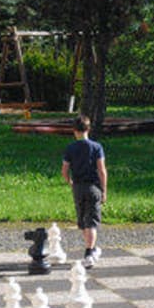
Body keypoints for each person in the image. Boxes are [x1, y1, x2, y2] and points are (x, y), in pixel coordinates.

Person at [61, 114, 107, 268]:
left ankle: (92, 249)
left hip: (78, 187)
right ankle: (89, 253)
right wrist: (104, 190)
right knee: (92, 222)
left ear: (74, 131)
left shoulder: (70, 148)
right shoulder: (96, 147)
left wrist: (70, 182)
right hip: (93, 187)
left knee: (83, 221)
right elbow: (102, 171)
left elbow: (64, 171)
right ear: (89, 129)